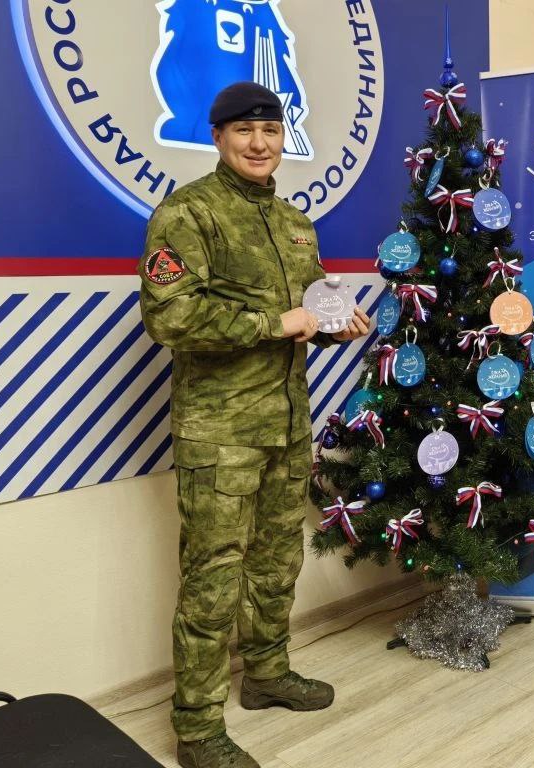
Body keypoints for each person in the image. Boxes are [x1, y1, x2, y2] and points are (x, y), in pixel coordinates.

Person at [139, 81, 370, 768]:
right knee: (212, 580)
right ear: (218, 137)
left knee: (276, 562)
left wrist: (330, 325)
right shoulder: (187, 214)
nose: (259, 143)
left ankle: (267, 674)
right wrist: (277, 322)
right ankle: (197, 728)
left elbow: (306, 311)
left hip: (286, 424)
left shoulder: (295, 222)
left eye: (270, 131)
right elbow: (169, 317)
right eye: (244, 131)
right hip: (221, 433)